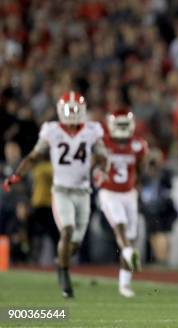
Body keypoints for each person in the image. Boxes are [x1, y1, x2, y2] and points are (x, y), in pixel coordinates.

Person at [3, 91, 108, 298]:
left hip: (83, 192)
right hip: (61, 191)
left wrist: (101, 171)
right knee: (67, 230)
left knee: (74, 244)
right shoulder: (51, 131)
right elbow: (34, 156)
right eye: (69, 110)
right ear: (61, 110)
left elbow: (102, 155)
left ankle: (61, 262)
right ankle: (64, 275)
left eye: (76, 110)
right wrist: (17, 175)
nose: (72, 114)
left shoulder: (92, 130)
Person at [99, 109, 148, 298]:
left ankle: (125, 284)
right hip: (109, 192)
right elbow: (93, 163)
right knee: (120, 226)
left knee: (132, 236)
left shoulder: (138, 144)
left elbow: (141, 168)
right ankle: (128, 252)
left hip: (129, 193)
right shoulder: (103, 143)